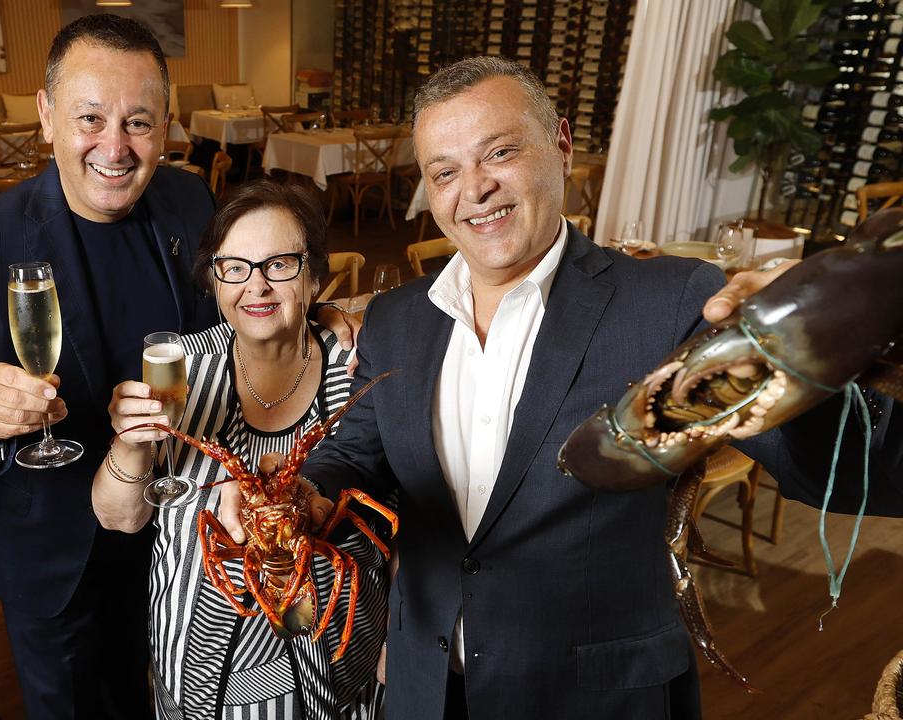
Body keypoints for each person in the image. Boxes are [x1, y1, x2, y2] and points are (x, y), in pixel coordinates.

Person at [280, 55, 897, 719]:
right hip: (427, 690)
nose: (475, 189)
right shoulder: (398, 318)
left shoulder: (672, 301)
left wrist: (831, 356)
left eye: (501, 153)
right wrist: (301, 492)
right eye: (445, 172)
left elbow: (852, 472)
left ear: (563, 146)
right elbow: (355, 456)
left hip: (595, 697)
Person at [0, 15, 355, 719]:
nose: (115, 146)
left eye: (138, 122)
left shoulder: (187, 199)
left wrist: (306, 313)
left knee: (169, 693)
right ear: (47, 117)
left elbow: (240, 298)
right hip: (56, 552)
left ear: (167, 124)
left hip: (179, 532)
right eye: (90, 118)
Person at [93, 180, 387, 719]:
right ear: (213, 279)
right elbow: (119, 518)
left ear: (316, 275)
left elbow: (402, 506)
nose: (257, 286)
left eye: (280, 264)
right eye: (234, 267)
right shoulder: (177, 368)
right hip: (200, 677)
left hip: (339, 667)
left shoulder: (358, 365)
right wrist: (132, 446)